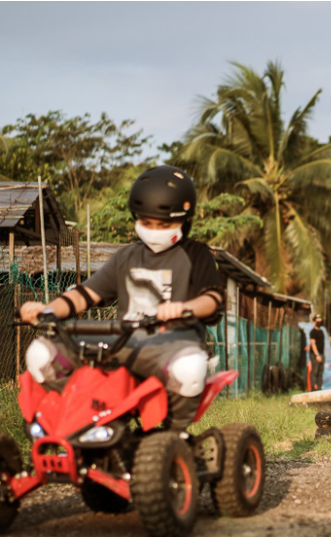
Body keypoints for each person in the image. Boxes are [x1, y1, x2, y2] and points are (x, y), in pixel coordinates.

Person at [19, 165, 224, 432]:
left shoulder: (196, 255)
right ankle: (68, 424)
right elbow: (85, 294)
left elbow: (212, 299)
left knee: (189, 368)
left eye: (163, 224)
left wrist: (184, 307)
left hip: (172, 345)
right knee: (40, 354)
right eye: (147, 222)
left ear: (184, 220)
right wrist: (47, 309)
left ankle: (173, 436)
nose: (154, 230)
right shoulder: (126, 256)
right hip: (120, 343)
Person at [309, 314, 326, 391]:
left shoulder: (321, 331)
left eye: (320, 321)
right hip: (315, 355)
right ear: (314, 322)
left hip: (321, 354)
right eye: (317, 321)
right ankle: (313, 388)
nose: (319, 322)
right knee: (314, 372)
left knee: (320, 372)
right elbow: (313, 344)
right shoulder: (313, 332)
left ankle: (319, 388)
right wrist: (317, 355)